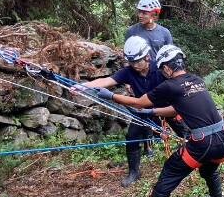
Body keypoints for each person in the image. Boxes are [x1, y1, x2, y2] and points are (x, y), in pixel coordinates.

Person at [96, 44, 224, 197]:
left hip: (203, 142)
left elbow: (138, 103)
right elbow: (178, 108)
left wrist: (111, 96)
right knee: (208, 168)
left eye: (162, 69)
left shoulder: (170, 86)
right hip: (223, 137)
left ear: (167, 67)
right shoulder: (196, 80)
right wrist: (153, 112)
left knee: (170, 170)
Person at [70, 36, 189, 188]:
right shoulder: (129, 72)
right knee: (132, 137)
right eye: (131, 62)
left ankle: (192, 163)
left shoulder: (160, 69)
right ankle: (134, 172)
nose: (134, 65)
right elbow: (107, 81)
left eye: (137, 61)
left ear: (147, 57)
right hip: (143, 110)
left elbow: (178, 83)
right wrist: (84, 86)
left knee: (185, 134)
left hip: (166, 108)